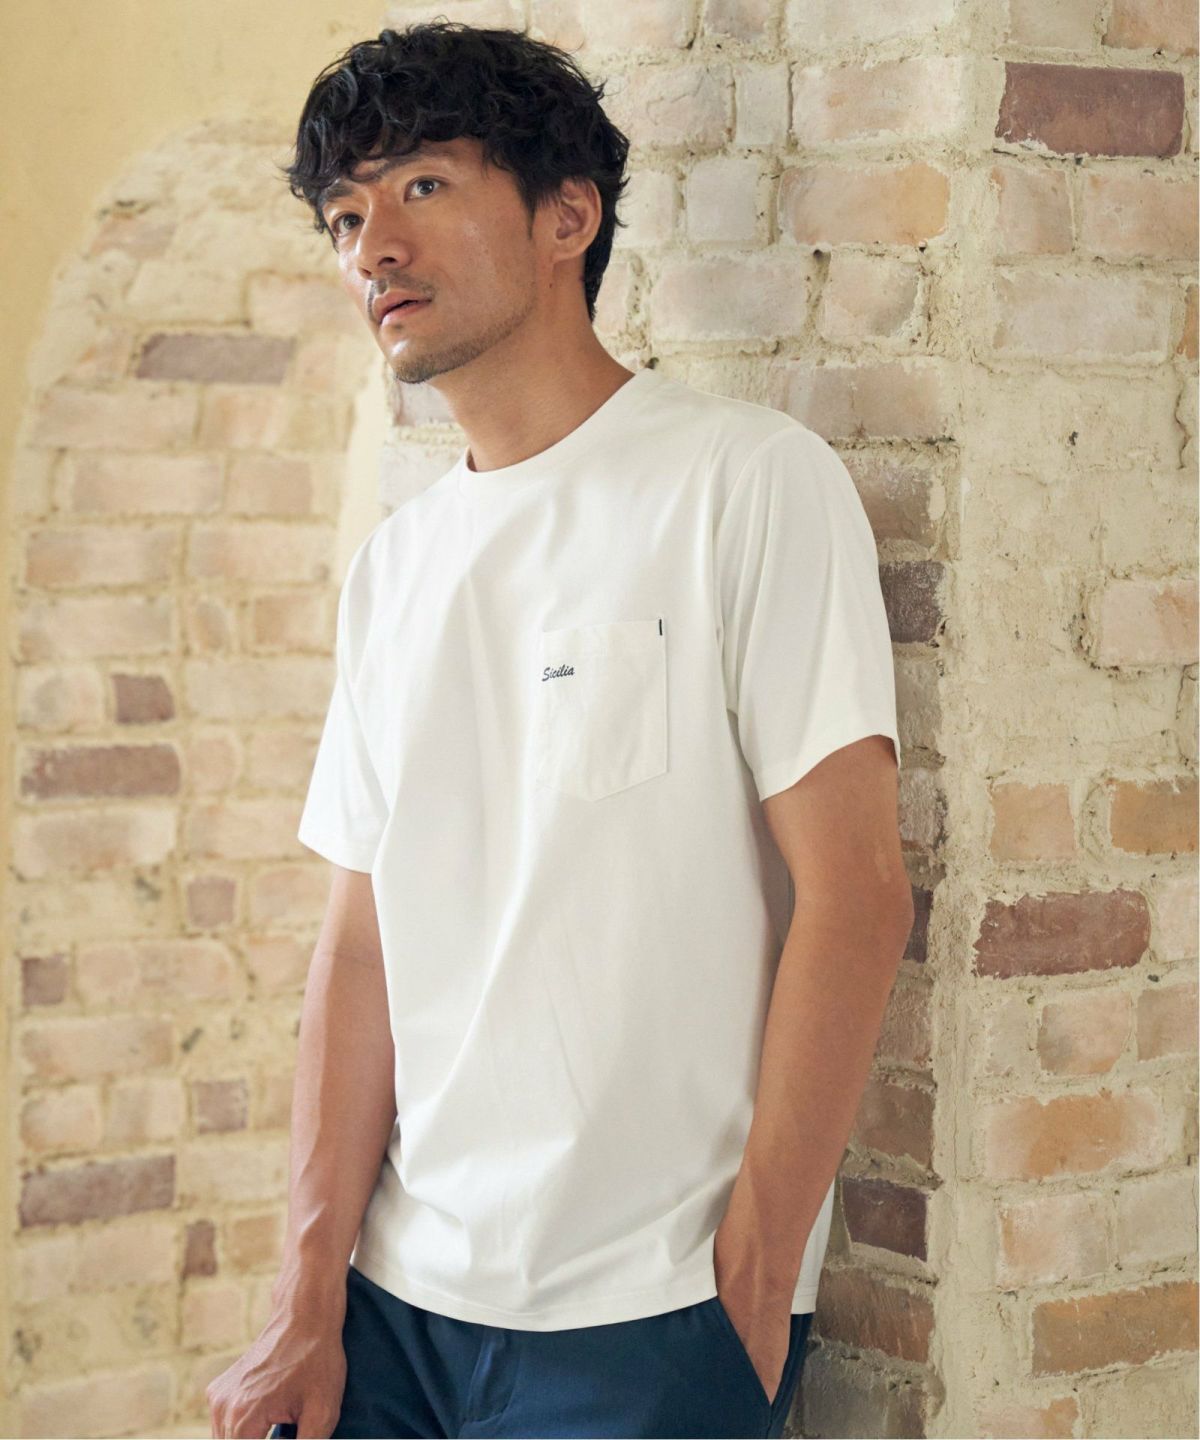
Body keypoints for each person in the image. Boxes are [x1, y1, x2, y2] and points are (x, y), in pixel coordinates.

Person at [205, 19, 912, 1440]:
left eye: (421, 186)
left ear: (566, 217)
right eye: (345, 215)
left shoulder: (744, 484)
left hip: (650, 1316)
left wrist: (757, 1269)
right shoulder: (397, 569)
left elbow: (858, 893)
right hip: (396, 1307)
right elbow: (361, 949)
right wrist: (306, 1296)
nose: (374, 247)